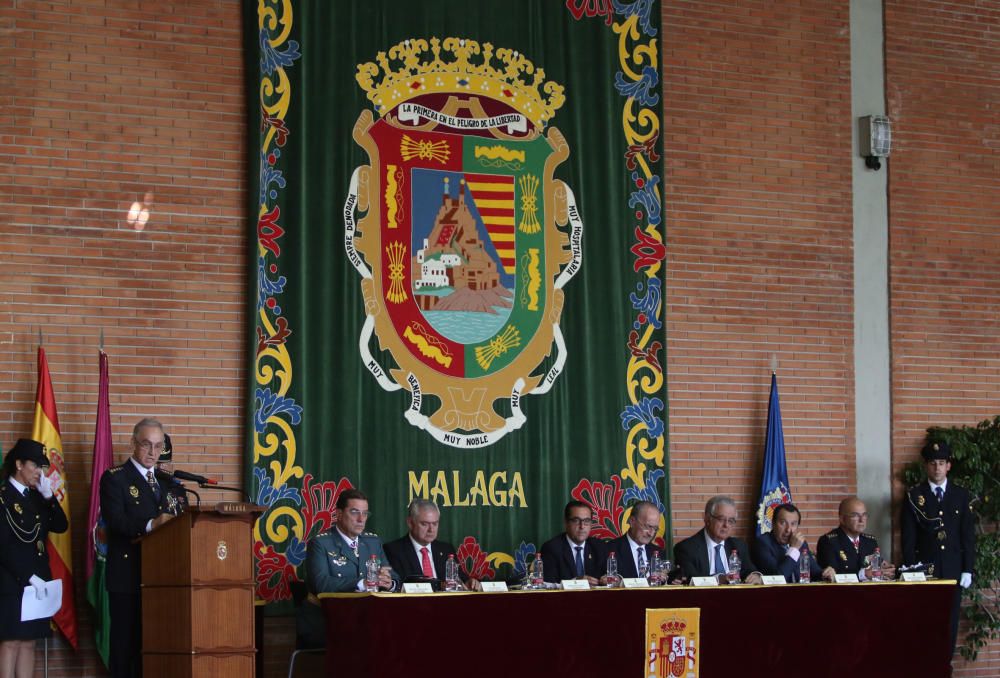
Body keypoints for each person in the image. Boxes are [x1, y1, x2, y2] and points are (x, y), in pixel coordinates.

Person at [100, 418, 180, 678]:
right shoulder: (115, 479)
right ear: (133, 443)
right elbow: (116, 521)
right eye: (146, 444)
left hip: (161, 577)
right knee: (125, 647)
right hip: (127, 576)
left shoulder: (169, 484)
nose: (152, 452)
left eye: (158, 446)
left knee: (155, 646)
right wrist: (150, 523)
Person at [901, 440, 976, 657]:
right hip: (926, 571)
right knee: (926, 622)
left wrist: (967, 569)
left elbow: (967, 536)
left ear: (948, 466)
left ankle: (946, 666)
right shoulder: (915, 496)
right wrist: (909, 569)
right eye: (933, 463)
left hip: (953, 570)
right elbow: (908, 538)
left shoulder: (961, 496)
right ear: (926, 466)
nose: (937, 468)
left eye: (942, 463)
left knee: (950, 621)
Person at [0, 439, 68, 678]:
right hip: (12, 580)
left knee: (29, 641)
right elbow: (4, 545)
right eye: (35, 465)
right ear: (19, 464)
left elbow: (61, 525)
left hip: (37, 579)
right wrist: (28, 576)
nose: (40, 472)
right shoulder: (3, 497)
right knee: (11, 642)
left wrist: (49, 497)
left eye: (42, 466)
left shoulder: (37, 496)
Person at [306, 489, 400, 593]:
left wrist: (389, 583)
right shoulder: (321, 543)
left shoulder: (373, 542)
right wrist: (361, 584)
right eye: (354, 512)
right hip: (335, 607)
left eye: (364, 513)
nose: (361, 519)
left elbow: (394, 577)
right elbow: (320, 583)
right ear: (339, 514)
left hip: (370, 606)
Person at [384, 499, 480, 590]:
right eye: (425, 524)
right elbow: (400, 584)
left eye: (435, 524)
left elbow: (460, 578)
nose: (431, 530)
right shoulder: (393, 550)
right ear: (410, 523)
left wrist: (469, 582)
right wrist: (439, 585)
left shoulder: (446, 549)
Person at [673, 496, 763, 584]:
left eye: (731, 521)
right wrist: (719, 579)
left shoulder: (739, 545)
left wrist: (755, 575)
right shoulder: (686, 548)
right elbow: (691, 579)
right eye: (721, 519)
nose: (726, 525)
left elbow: (749, 570)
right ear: (707, 519)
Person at [751, 503, 835, 583]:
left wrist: (826, 574)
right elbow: (778, 578)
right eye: (783, 523)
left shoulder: (801, 543)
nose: (788, 529)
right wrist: (794, 549)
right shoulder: (762, 543)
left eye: (793, 524)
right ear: (773, 523)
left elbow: (815, 572)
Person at [816, 496, 895, 580]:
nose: (861, 520)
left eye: (864, 515)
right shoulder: (828, 542)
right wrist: (863, 574)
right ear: (842, 519)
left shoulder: (870, 541)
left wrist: (886, 571)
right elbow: (832, 576)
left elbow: (875, 570)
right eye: (855, 515)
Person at [538, 500, 606, 585]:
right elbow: (547, 585)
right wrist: (574, 583)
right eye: (576, 520)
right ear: (566, 523)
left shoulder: (599, 547)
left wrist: (610, 578)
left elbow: (613, 575)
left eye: (587, 521)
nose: (582, 526)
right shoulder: (551, 548)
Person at [604, 501, 664, 582]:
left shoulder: (658, 552)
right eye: (648, 526)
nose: (651, 533)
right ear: (632, 521)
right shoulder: (610, 549)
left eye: (655, 529)